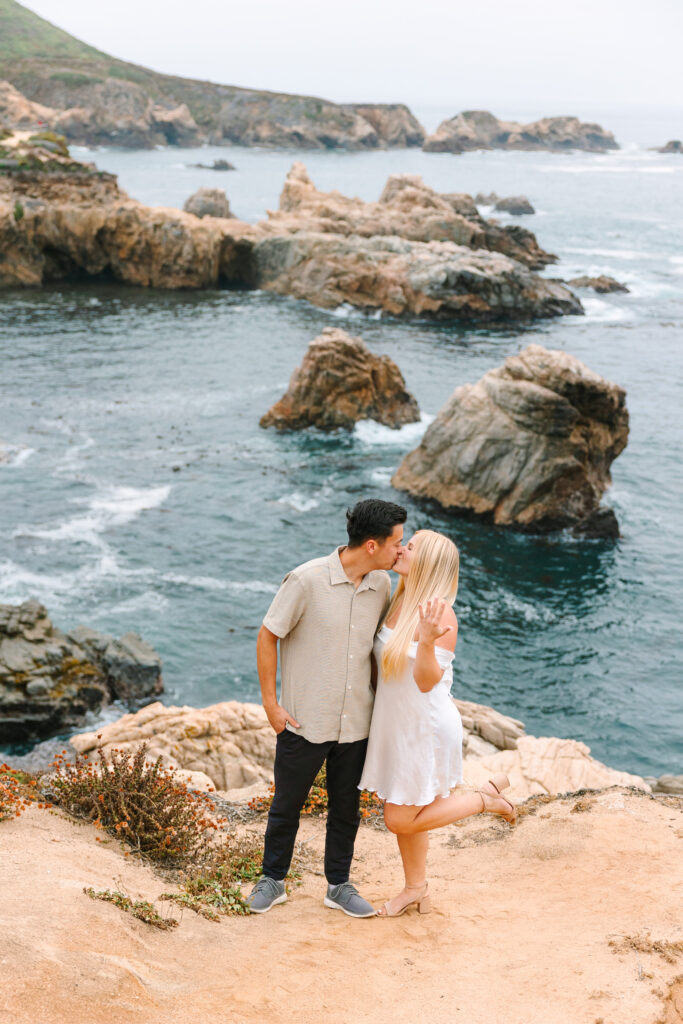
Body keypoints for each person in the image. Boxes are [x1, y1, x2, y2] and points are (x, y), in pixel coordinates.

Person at [247, 498, 407, 917]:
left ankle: (338, 886)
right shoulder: (306, 580)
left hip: (357, 722)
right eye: (397, 544)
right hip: (304, 721)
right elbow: (268, 636)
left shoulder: (382, 585)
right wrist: (271, 704)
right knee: (287, 805)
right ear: (372, 545)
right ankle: (272, 880)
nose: (401, 552)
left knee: (346, 811)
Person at [359, 529, 516, 918]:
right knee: (412, 811)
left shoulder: (440, 612)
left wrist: (427, 641)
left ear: (426, 560)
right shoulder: (397, 598)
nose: (400, 549)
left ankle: (486, 800)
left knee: (399, 819)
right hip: (397, 725)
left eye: (409, 547)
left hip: (424, 728)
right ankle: (416, 889)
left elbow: (427, 681)